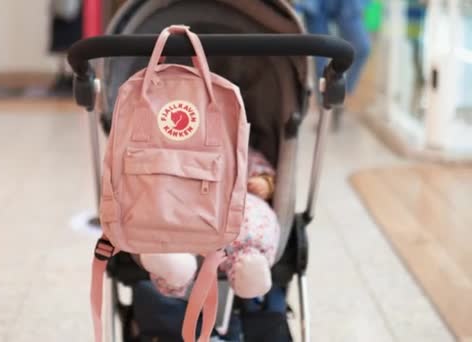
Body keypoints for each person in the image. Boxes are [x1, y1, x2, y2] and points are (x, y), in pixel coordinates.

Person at [135, 147, 281, 300]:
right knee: (165, 215)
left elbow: (263, 173)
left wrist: (264, 183)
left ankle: (248, 266)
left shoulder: (237, 149)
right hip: (187, 208)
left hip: (235, 208)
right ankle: (174, 264)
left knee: (253, 216)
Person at [299, 0, 372, 129]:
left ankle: (341, 95)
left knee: (363, 47)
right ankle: (325, 109)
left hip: (346, 3)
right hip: (317, 4)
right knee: (320, 59)